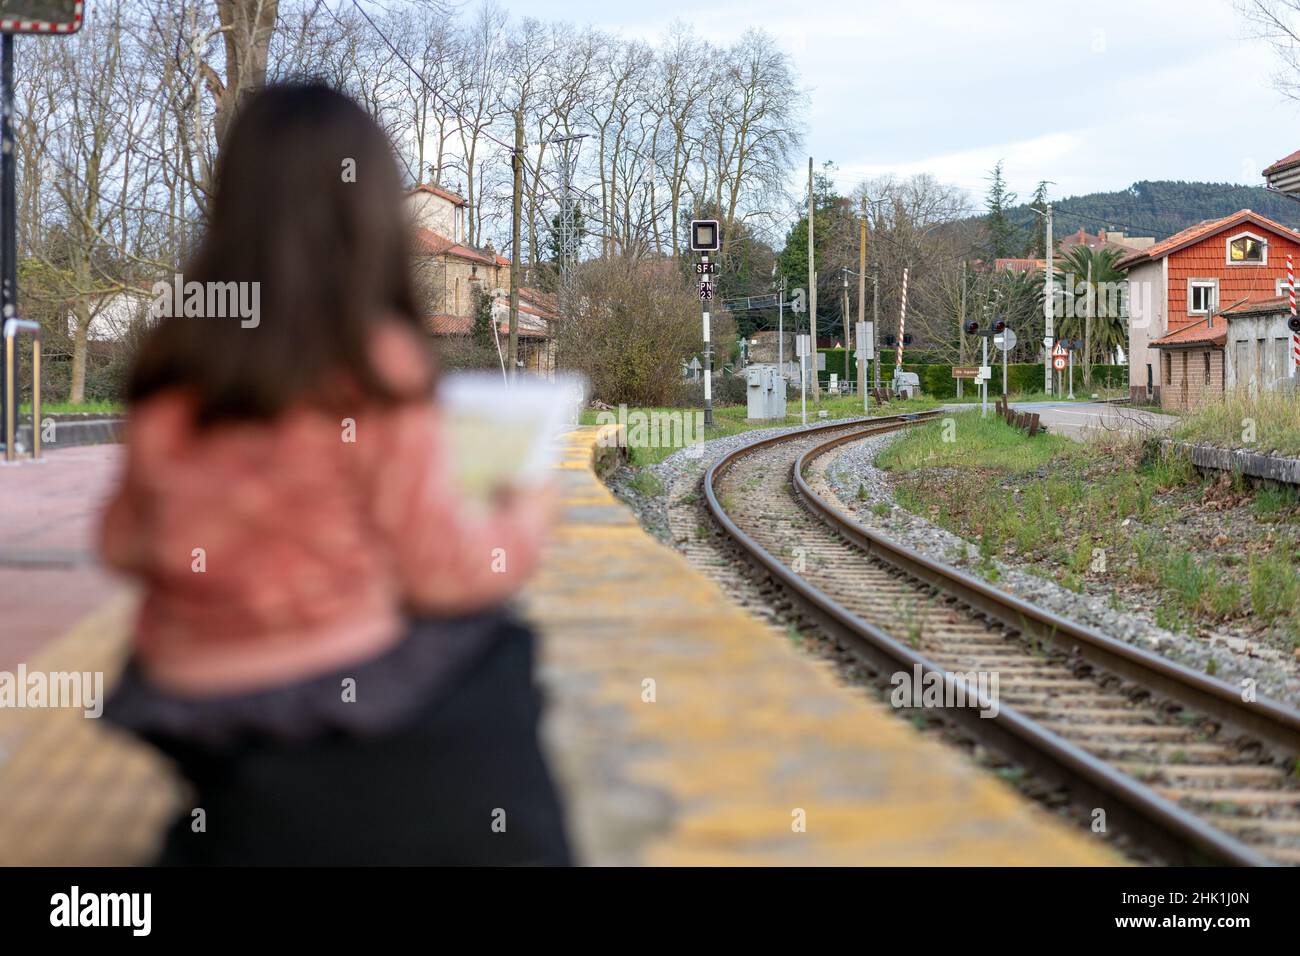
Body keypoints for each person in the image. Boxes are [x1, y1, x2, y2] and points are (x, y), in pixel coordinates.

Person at [98, 82, 570, 866]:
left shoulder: (175, 361)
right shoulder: (372, 363)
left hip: (182, 693)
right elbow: (445, 574)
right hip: (318, 688)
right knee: (500, 645)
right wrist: (524, 507)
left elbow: (120, 542)